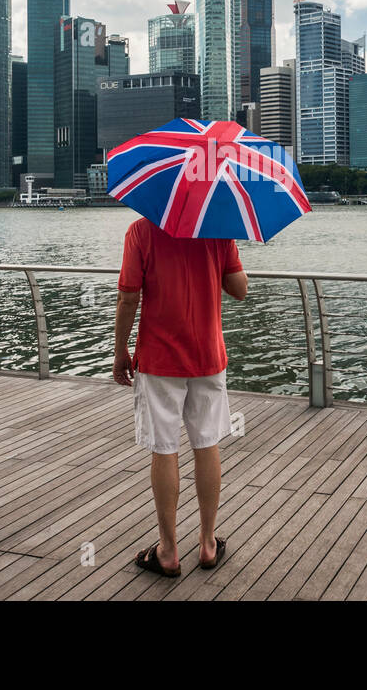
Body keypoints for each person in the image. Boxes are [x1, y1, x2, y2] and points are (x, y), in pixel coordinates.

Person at [113, 215, 248, 577]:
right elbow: (240, 289)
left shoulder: (141, 231)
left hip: (159, 359)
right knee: (206, 443)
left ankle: (168, 551)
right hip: (207, 356)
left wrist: (120, 350)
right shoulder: (218, 228)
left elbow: (128, 297)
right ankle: (207, 544)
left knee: (164, 447)